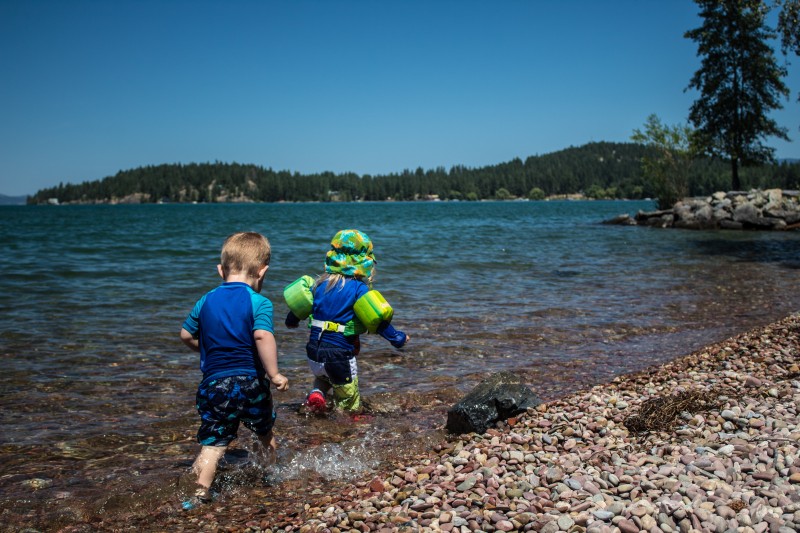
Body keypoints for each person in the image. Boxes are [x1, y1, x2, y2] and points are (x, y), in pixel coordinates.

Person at [179, 231, 288, 506]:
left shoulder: (205, 300)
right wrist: (274, 374)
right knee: (264, 433)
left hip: (215, 384)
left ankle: (198, 493)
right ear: (262, 272)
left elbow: (185, 334)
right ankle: (270, 475)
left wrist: (207, 350)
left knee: (214, 444)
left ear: (220, 270)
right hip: (251, 382)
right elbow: (262, 336)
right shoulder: (259, 302)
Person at [284, 229, 408, 414]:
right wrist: (397, 338)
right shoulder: (359, 288)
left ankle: (317, 394)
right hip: (339, 356)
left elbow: (295, 314)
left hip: (313, 353)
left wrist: (292, 321)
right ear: (365, 261)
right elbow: (378, 321)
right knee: (349, 401)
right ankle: (349, 429)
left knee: (324, 377)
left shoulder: (318, 284)